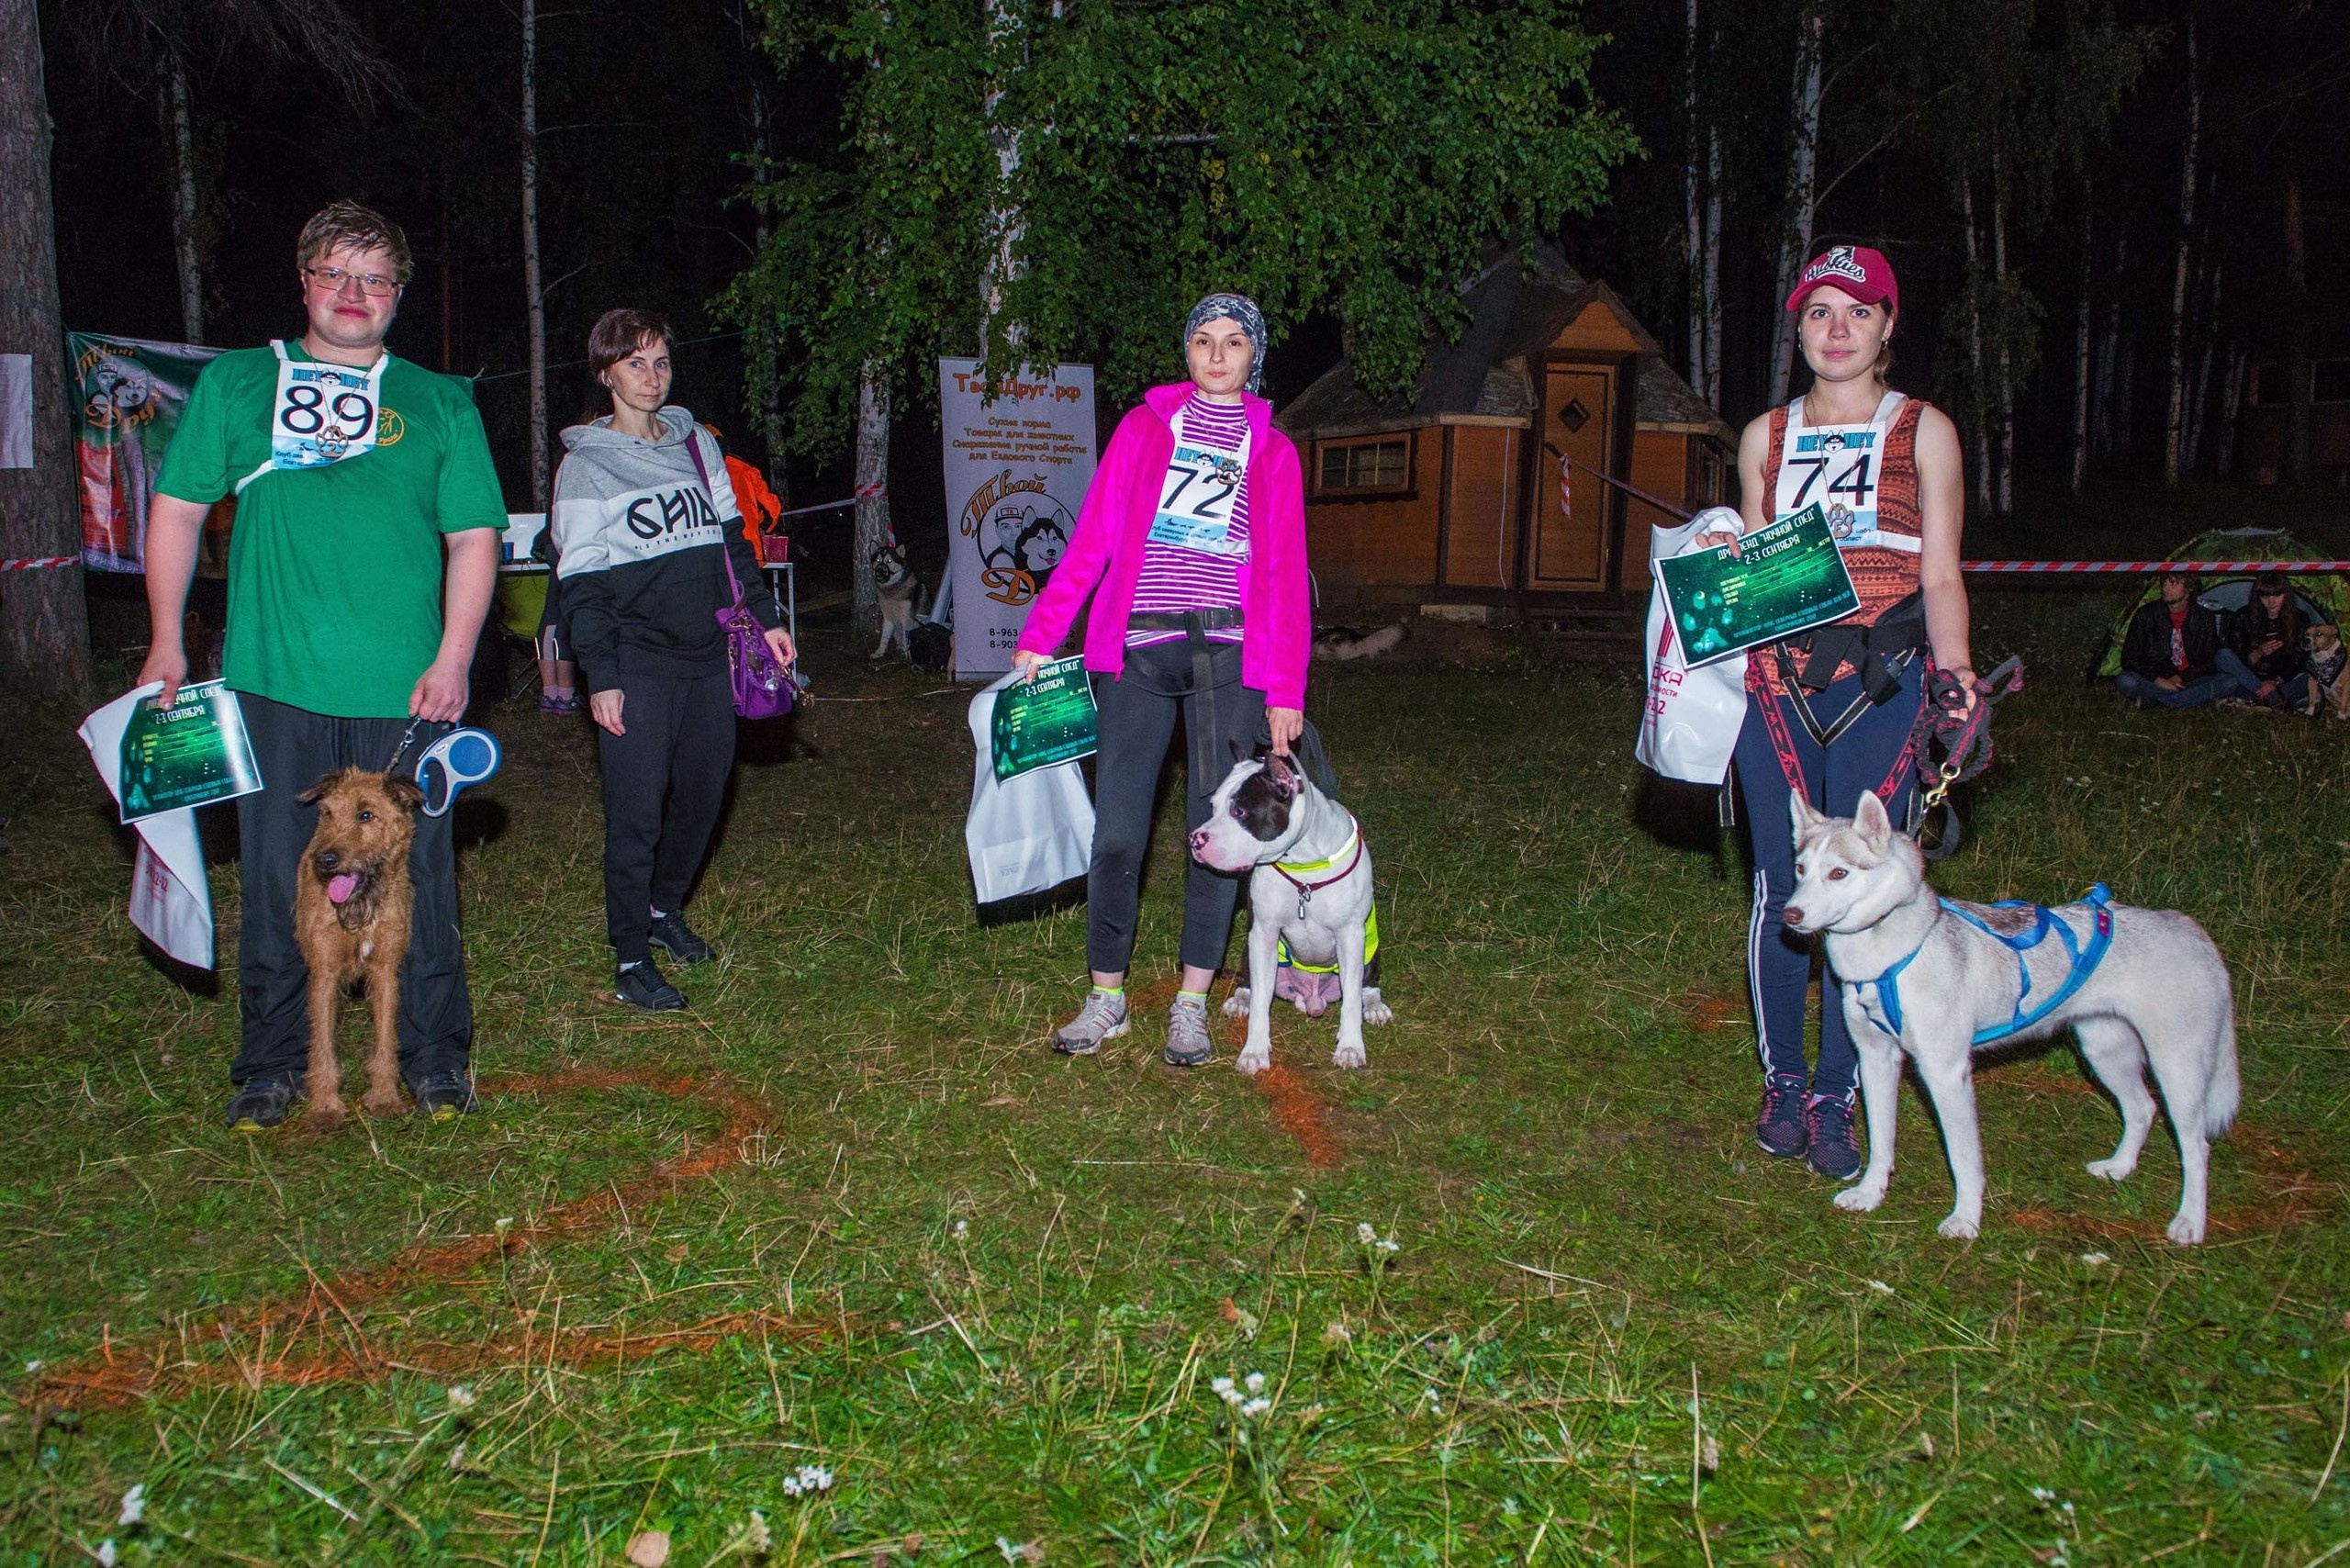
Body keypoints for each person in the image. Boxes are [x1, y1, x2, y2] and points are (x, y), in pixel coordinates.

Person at [138, 199, 504, 1130]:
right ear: (303, 282)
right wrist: (167, 640)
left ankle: (430, 1059)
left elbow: (472, 537)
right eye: (336, 274)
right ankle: (271, 1065)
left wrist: (455, 657)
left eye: (376, 279)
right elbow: (177, 510)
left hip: (407, 689)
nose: (354, 295)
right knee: (274, 877)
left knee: (418, 878)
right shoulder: (235, 384)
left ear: (398, 296)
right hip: (272, 678)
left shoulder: (439, 400)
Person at [1696, 245, 1976, 1181]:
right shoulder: (1762, 437)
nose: (1837, 328)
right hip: (1775, 691)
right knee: (1784, 892)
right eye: (1819, 312)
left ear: (1887, 326)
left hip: (1883, 687)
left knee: (1861, 889)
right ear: (1799, 329)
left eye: (1857, 312)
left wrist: (1958, 672)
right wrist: (1709, 567)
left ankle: (1838, 1091)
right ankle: (1782, 1079)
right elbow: (1747, 567)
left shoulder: (1923, 429)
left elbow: (1940, 569)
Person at [1010, 294, 1311, 1066]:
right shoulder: (1146, 429)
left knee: (1218, 841)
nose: (1217, 355)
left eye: (1235, 342)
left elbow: (1282, 575)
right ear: (1187, 351)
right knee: (1116, 835)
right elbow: (1094, 538)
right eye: (1203, 340)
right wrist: (1043, 634)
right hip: (1137, 655)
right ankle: (1105, 997)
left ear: (1254, 357)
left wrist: (1285, 691)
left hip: (1229, 663)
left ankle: (1190, 1004)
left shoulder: (1273, 451)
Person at [552, 308, 794, 1013]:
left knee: (704, 796)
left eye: (660, 362)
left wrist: (766, 620)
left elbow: (732, 546)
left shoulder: (698, 449)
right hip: (638, 662)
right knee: (637, 816)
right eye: (634, 363)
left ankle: (663, 911)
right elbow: (582, 582)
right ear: (606, 374)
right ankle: (630, 957)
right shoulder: (585, 466)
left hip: (709, 656)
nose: (651, 377)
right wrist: (603, 676)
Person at [2115, 572, 2230, 709]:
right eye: (2164, 583)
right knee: (2126, 681)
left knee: (2229, 680)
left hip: (2190, 679)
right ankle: (2191, 699)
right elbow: (2129, 658)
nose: (2166, 588)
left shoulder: (2204, 618)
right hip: (2157, 678)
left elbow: (2211, 659)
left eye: (2173, 583)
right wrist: (2159, 680)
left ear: (2189, 588)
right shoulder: (2146, 614)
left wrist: (2182, 676)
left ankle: (2159, 702)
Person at [2222, 571, 2311, 710]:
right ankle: (2271, 700)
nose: (2271, 602)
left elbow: (2298, 659)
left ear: (2286, 595)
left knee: (2310, 681)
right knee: (2223, 656)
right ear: (2258, 597)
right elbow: (2235, 657)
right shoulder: (2243, 617)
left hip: (2281, 680)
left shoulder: (2299, 618)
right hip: (2249, 679)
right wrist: (2257, 653)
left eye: (2277, 595)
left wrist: (2276, 681)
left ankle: (2259, 700)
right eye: (2265, 596)